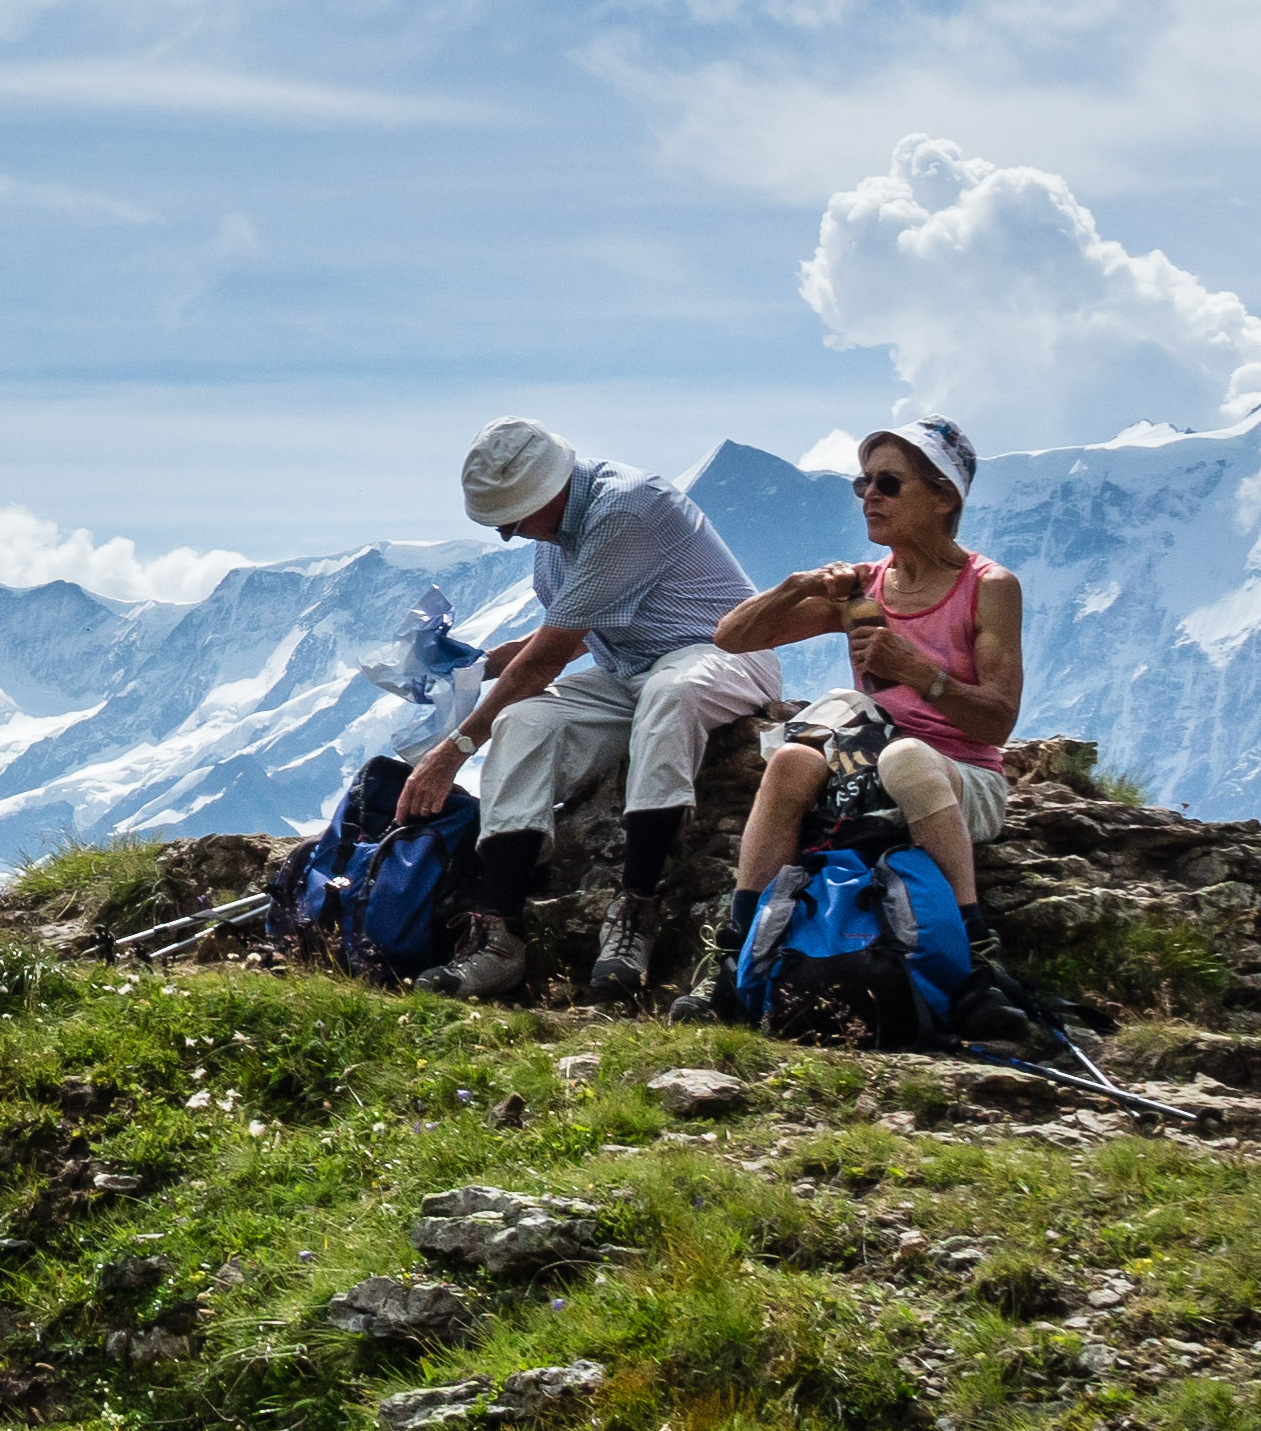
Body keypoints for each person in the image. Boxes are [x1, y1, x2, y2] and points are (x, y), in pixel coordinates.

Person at [387, 418, 786, 1004]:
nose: (511, 534)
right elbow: (572, 635)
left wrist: (453, 751)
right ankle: (496, 937)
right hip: (629, 669)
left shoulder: (625, 510)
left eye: (514, 520)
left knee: (669, 695)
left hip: (720, 654)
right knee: (523, 721)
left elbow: (548, 657)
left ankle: (637, 910)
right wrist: (469, 666)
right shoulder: (560, 541)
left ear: (548, 494)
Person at [712, 416, 1025, 915]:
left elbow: (998, 724)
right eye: (864, 482)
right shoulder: (863, 589)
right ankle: (740, 941)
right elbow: (732, 637)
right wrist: (799, 586)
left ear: (944, 498)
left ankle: (972, 946)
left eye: (889, 483)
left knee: (907, 760)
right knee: (793, 761)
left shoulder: (989, 587)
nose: (869, 497)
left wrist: (916, 672)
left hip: (961, 780)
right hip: (872, 764)